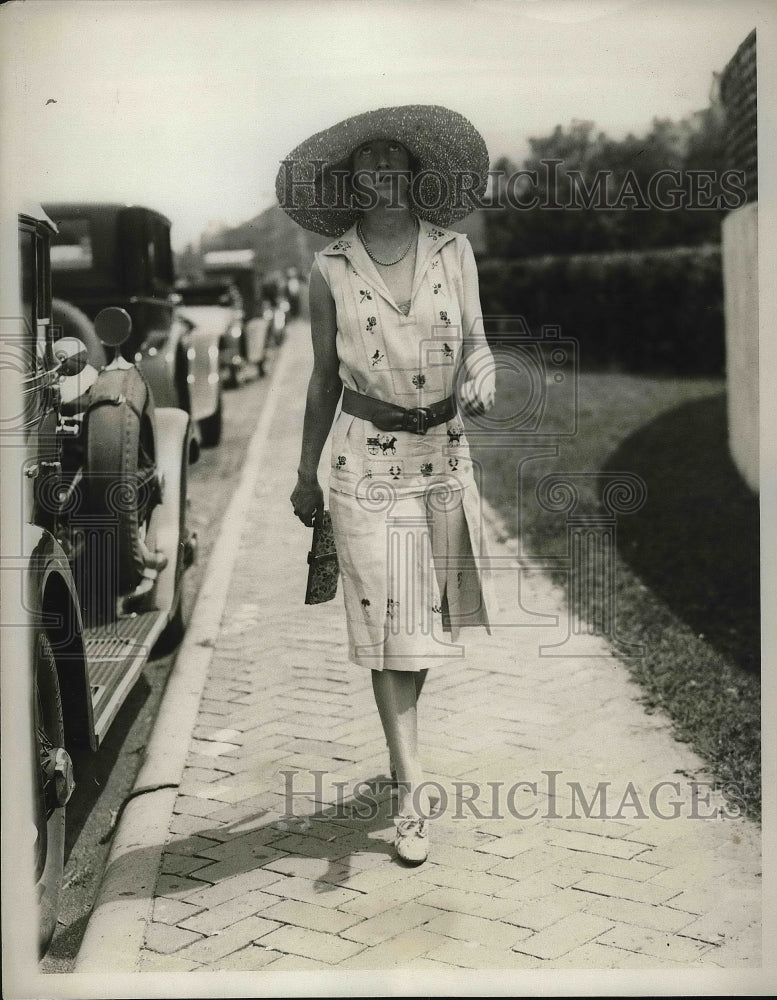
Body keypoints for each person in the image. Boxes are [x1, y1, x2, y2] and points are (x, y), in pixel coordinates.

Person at [278, 105, 497, 865]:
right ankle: (410, 788)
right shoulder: (329, 267)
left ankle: (405, 764)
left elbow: (476, 341)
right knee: (391, 629)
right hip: (363, 468)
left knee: (421, 626)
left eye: (392, 162)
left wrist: (485, 378)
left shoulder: (453, 251)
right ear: (351, 182)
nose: (381, 175)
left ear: (413, 174)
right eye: (366, 165)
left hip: (442, 458)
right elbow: (321, 378)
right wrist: (304, 474)